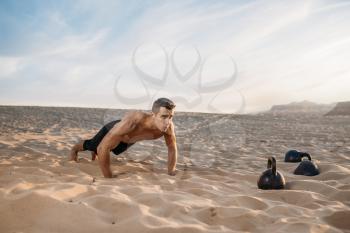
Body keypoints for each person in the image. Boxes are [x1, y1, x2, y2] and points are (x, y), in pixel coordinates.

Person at [69, 98, 177, 178]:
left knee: (115, 150)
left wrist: (171, 171)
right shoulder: (135, 120)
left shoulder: (168, 126)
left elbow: (172, 148)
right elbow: (102, 148)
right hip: (115, 129)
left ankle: (94, 151)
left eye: (171, 117)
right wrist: (108, 177)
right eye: (163, 116)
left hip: (129, 140)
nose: (168, 122)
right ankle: (74, 149)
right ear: (153, 114)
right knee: (94, 145)